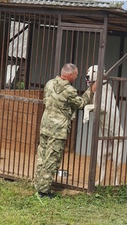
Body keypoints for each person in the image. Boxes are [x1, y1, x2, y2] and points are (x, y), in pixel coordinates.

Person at [34, 63, 96, 198]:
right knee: (52, 159)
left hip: (45, 125)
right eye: (75, 75)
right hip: (58, 129)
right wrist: (90, 90)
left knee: (42, 156)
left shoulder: (49, 83)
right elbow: (81, 104)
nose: (77, 76)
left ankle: (38, 184)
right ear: (69, 75)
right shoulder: (69, 90)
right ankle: (44, 191)